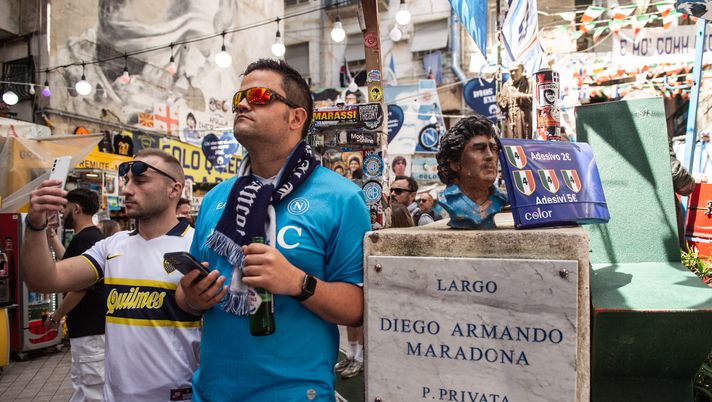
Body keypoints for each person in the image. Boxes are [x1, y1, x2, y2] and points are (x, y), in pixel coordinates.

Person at [177, 59, 370, 401]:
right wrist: (191, 297)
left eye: (259, 95)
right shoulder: (215, 199)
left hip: (295, 393)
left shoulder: (341, 198)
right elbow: (186, 295)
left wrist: (298, 282)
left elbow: (357, 307)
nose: (242, 103)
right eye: (239, 97)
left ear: (296, 118)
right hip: (211, 391)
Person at [21, 150, 200, 401]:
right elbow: (45, 279)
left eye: (140, 181)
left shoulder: (197, 245)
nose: (127, 190)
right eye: (126, 180)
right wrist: (35, 224)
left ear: (174, 190)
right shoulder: (112, 246)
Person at [45, 189, 106, 402]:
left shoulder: (85, 239)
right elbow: (70, 267)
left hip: (90, 329)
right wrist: (52, 238)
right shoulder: (90, 237)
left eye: (65, 208)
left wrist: (56, 315)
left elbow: (78, 288)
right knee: (84, 384)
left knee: (92, 389)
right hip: (91, 329)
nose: (62, 214)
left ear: (76, 209)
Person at [436, 114, 508, 229]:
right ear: (455, 163)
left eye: (493, 149)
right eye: (479, 148)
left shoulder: (502, 199)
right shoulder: (447, 200)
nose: (490, 156)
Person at [496, 62, 533, 139]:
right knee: (511, 142)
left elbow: (534, 99)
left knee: (525, 140)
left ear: (521, 70)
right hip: (510, 119)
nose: (513, 73)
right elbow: (504, 108)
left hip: (523, 116)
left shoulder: (528, 82)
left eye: (516, 70)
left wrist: (520, 95)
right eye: (511, 71)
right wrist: (500, 101)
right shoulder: (506, 85)